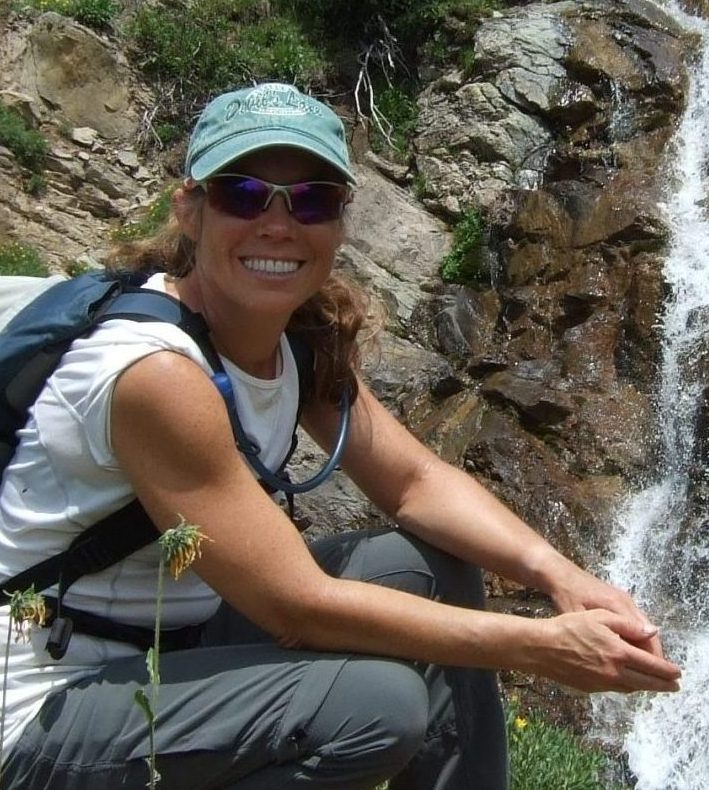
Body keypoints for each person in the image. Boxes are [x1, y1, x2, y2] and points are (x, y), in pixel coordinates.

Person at [0, 82, 681, 790]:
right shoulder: (155, 373)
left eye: (312, 200)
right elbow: (292, 607)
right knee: (373, 710)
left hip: (180, 642)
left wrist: (560, 576)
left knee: (430, 563)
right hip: (48, 700)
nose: (278, 222)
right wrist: (534, 647)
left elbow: (415, 484)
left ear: (341, 220)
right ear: (189, 210)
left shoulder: (293, 339)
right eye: (243, 194)